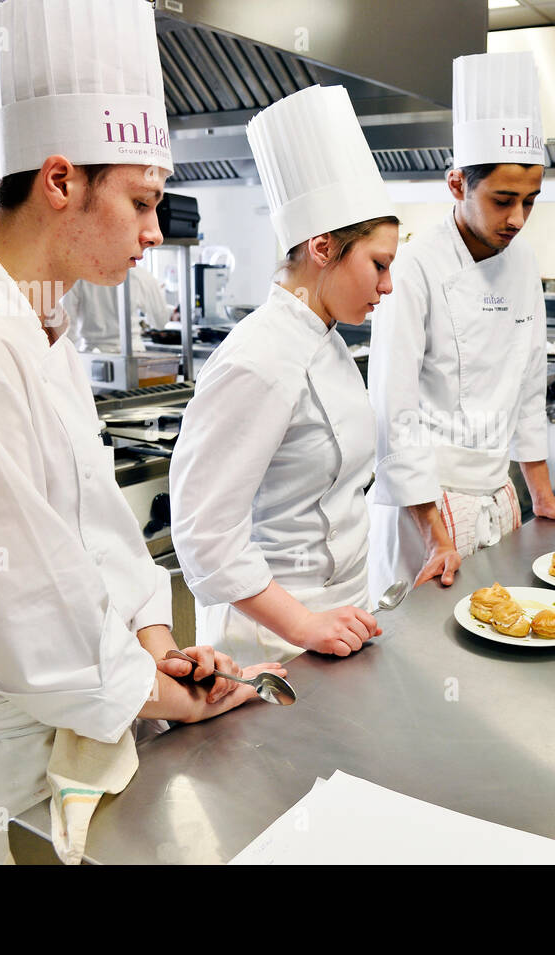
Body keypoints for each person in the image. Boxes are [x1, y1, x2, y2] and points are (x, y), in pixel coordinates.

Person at [0, 0, 283, 864]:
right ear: (58, 180)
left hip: (83, 711)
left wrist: (157, 642)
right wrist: (158, 692)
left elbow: (94, 528)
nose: (155, 232)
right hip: (13, 748)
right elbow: (15, 602)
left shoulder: (47, 326)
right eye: (141, 201)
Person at [170, 84, 395, 664]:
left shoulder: (327, 340)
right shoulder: (259, 359)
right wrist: (302, 625)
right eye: (378, 264)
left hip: (340, 616)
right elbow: (204, 533)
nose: (387, 286)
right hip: (273, 637)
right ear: (323, 248)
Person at [367, 52, 555, 600]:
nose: (517, 218)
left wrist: (542, 496)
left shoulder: (524, 260)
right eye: (503, 200)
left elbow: (529, 385)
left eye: (530, 202)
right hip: (427, 504)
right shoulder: (414, 268)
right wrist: (435, 535)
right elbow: (394, 412)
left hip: (498, 493)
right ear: (457, 182)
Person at [61, 267, 178, 353]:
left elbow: (66, 326)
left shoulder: (79, 275)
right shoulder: (140, 275)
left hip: (94, 356)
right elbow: (159, 322)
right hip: (133, 352)